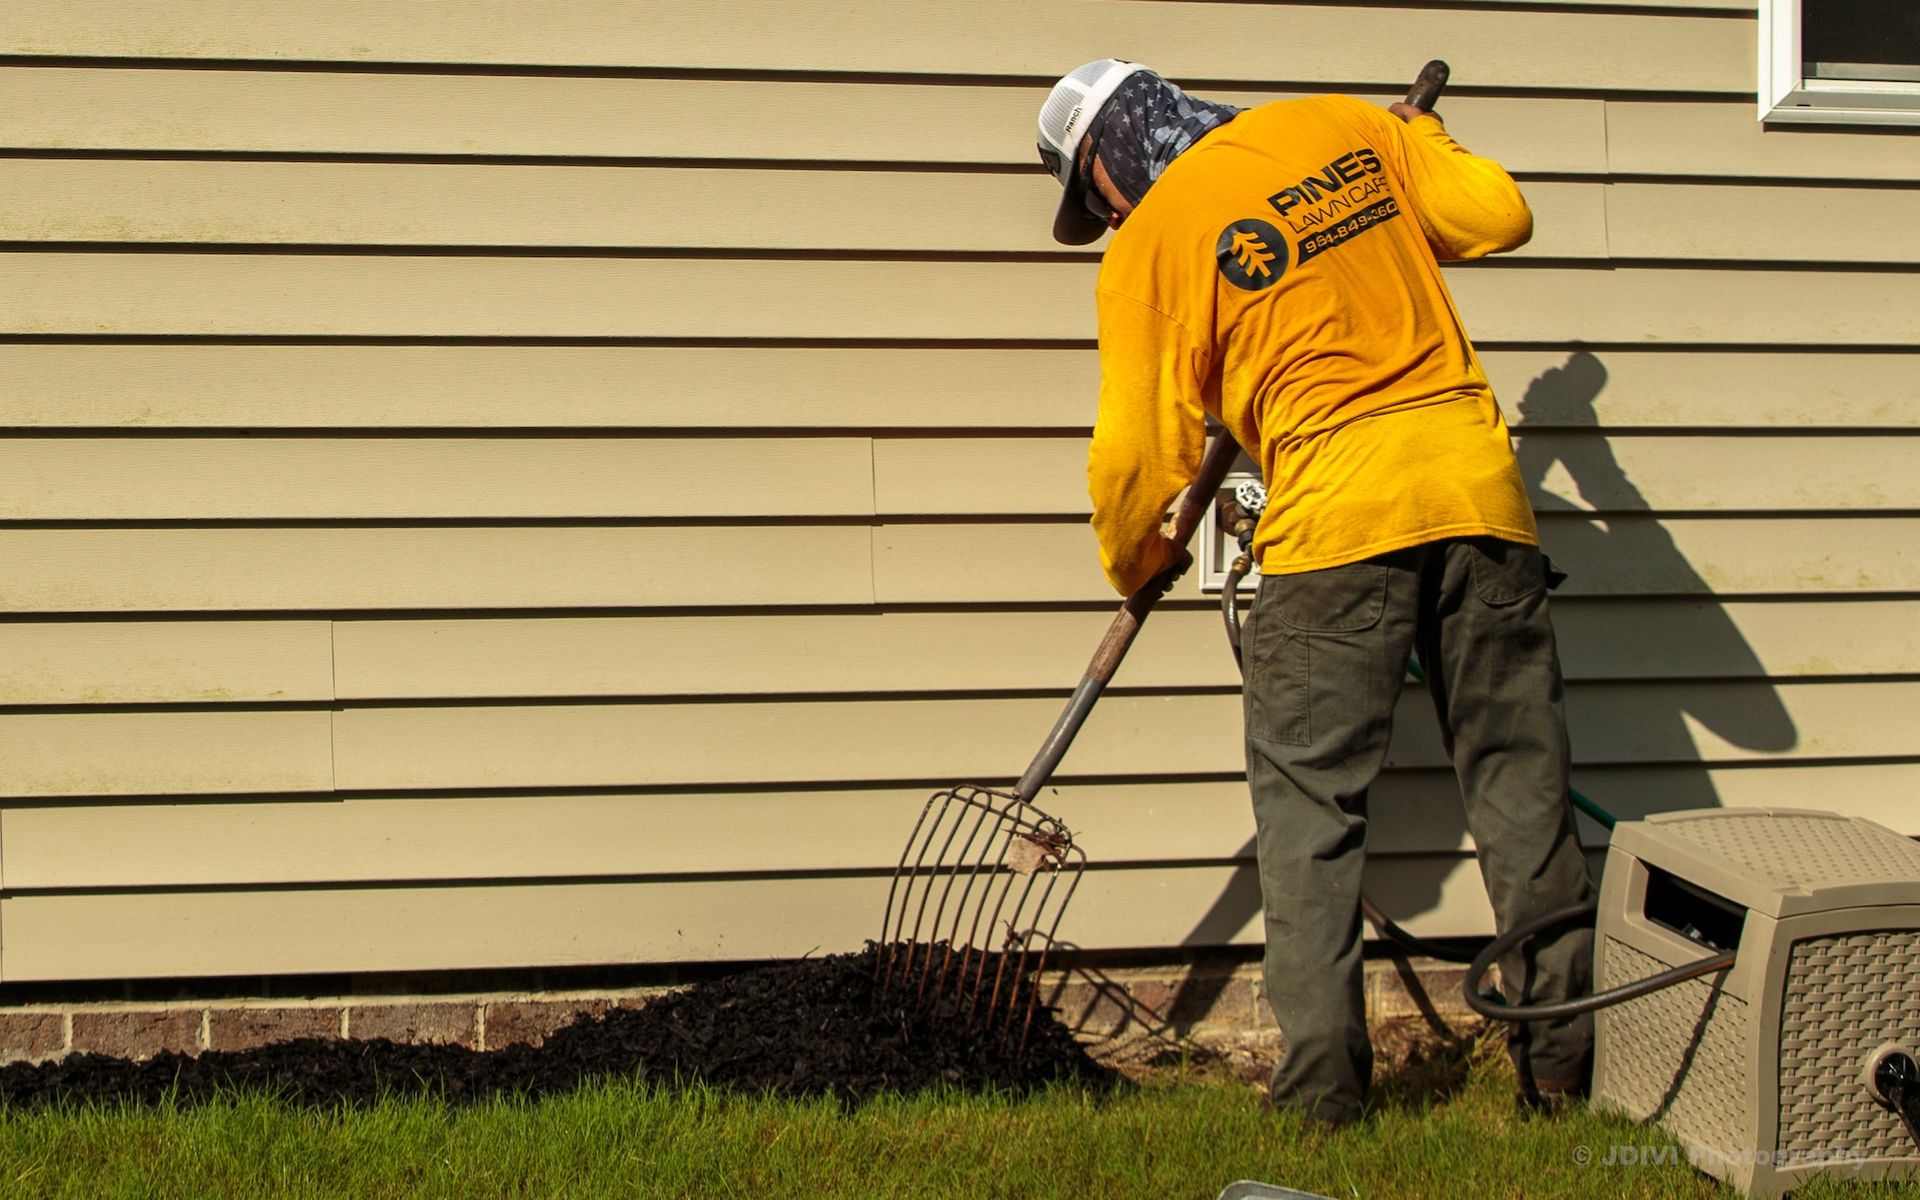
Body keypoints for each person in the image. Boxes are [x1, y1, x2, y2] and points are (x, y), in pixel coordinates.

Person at [1035, 60, 1595, 1126]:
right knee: (1522, 786)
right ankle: (1564, 1070)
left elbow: (1134, 457)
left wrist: (1134, 558)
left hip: (1336, 524)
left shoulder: (1153, 243)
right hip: (1480, 497)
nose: (1105, 215)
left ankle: (1324, 1103)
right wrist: (1410, 146)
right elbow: (1501, 213)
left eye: (1091, 194)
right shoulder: (1345, 130)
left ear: (1112, 155)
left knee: (1311, 815)